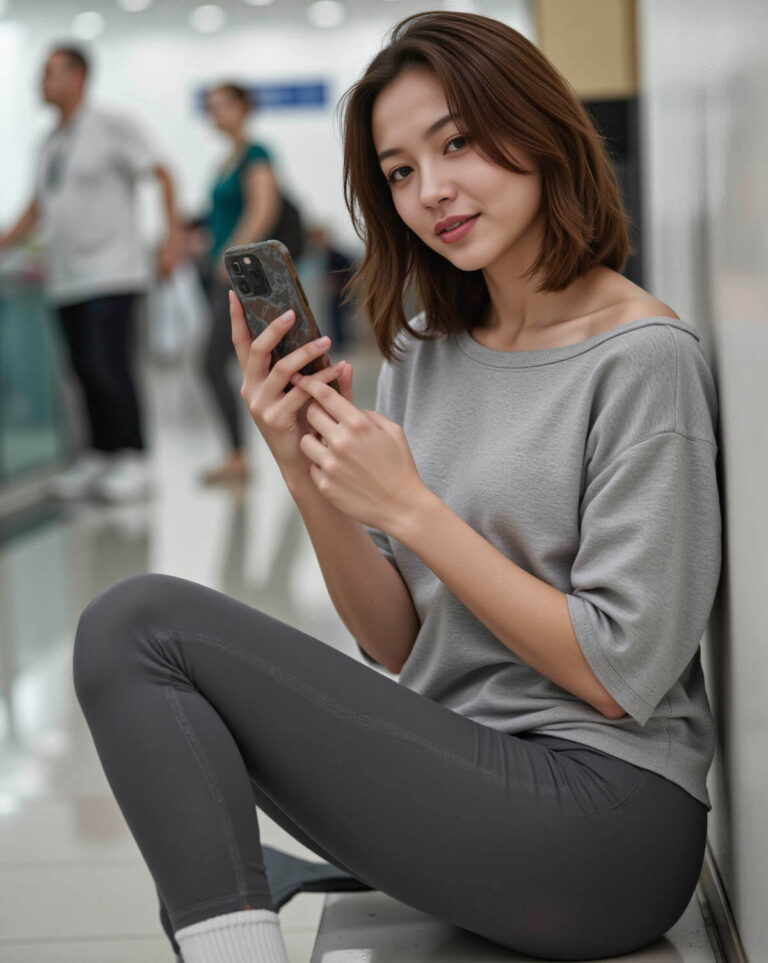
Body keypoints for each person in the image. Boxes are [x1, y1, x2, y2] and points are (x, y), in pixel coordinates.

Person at [72, 12, 722, 963]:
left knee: (139, 620)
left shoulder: (643, 358)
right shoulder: (428, 351)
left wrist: (413, 508)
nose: (433, 191)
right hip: (465, 774)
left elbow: (617, 676)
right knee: (129, 637)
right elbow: (396, 642)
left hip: (606, 824)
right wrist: (304, 466)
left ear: (539, 131)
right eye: (401, 170)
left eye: (456, 142)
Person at [0, 45, 182, 502]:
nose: (40, 84)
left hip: (112, 271)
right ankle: (100, 455)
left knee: (109, 364)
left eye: (49, 74)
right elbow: (39, 207)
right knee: (81, 369)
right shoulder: (50, 143)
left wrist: (172, 236)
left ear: (78, 76)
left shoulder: (112, 125)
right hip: (66, 277)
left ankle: (134, 456)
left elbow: (162, 173)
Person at [199, 83, 303, 486]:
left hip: (242, 277)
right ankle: (241, 454)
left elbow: (263, 209)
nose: (214, 112)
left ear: (244, 108)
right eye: (210, 105)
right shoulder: (227, 159)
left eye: (222, 104)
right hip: (227, 275)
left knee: (214, 362)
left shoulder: (256, 154)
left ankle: (245, 454)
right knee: (257, 362)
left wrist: (229, 256)